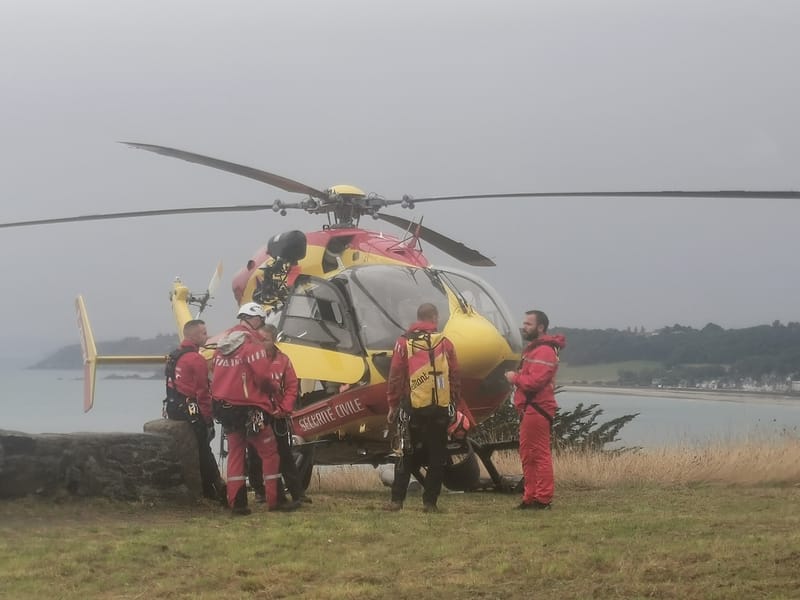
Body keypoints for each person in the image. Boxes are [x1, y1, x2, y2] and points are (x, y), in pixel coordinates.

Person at [384, 302, 476, 513]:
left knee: (405, 453)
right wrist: (454, 402)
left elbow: (395, 375)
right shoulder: (445, 342)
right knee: (437, 456)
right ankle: (430, 503)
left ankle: (397, 500)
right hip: (439, 407)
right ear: (434, 318)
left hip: (411, 408)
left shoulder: (403, 342)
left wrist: (392, 404)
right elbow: (455, 375)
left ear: (418, 318)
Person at [211, 302, 283, 515]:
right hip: (251, 408)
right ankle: (275, 499)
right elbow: (263, 377)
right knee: (269, 452)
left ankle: (237, 502)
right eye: (261, 320)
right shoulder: (253, 345)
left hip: (225, 408)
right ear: (256, 319)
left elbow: (214, 373)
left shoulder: (222, 344)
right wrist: (274, 389)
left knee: (235, 453)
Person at [504, 309, 566, 510]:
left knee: (538, 454)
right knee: (528, 454)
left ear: (540, 327)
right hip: (530, 408)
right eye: (524, 323)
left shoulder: (544, 351)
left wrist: (514, 378)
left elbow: (535, 382)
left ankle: (543, 498)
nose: (524, 327)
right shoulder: (535, 349)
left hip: (537, 408)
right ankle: (530, 496)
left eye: (528, 324)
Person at [164, 319, 225, 503]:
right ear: (193, 336)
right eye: (203, 333)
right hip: (191, 411)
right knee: (204, 449)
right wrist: (208, 419)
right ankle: (216, 488)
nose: (207, 336)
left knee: (199, 450)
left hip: (175, 408)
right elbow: (202, 392)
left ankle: (208, 490)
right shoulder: (196, 359)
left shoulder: (174, 356)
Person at [247, 324, 307, 510]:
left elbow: (291, 387)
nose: (260, 343)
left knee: (284, 454)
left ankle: (297, 493)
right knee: (254, 454)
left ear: (273, 340)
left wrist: (284, 408)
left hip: (277, 415)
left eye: (264, 339)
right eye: (258, 339)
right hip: (258, 414)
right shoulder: (252, 360)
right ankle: (260, 490)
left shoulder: (283, 360)